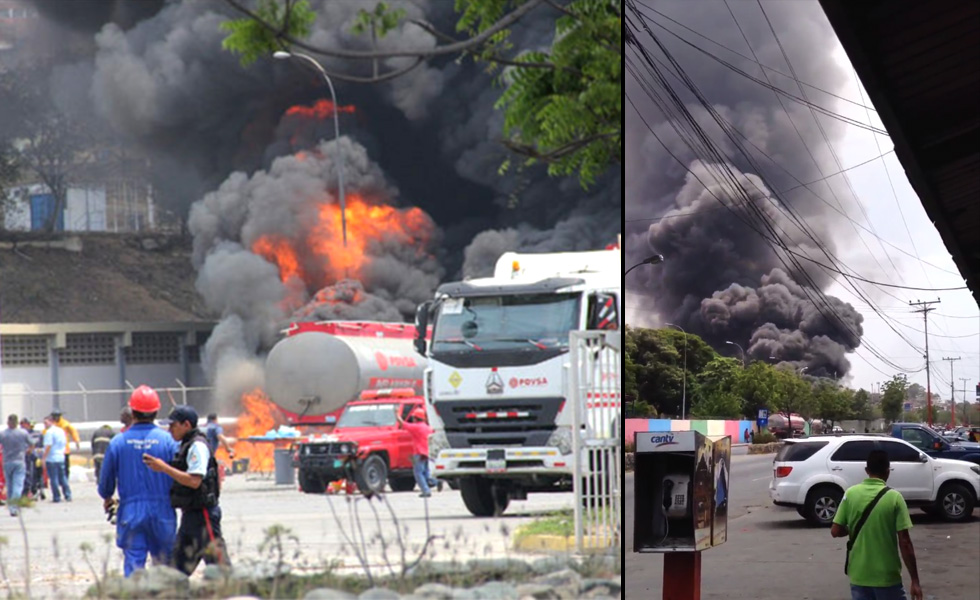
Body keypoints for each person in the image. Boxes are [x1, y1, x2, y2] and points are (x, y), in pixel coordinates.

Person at [98, 385, 178, 577]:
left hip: (131, 512)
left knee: (134, 568)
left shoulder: (118, 442)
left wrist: (107, 496)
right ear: (156, 411)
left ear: (132, 411)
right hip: (163, 510)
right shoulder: (168, 441)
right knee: (165, 570)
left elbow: (105, 485)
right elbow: (179, 475)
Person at [144, 405, 230, 575]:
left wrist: (164, 468)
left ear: (186, 425)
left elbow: (194, 481)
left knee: (221, 570)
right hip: (191, 515)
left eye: (173, 425)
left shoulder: (197, 446)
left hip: (204, 515)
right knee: (177, 570)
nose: (169, 430)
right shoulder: (186, 445)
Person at [831, 449, 922, 600]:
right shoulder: (894, 498)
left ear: (866, 470)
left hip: (859, 575)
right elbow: (904, 542)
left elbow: (835, 530)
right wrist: (915, 581)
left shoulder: (851, 493)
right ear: (888, 471)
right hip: (887, 577)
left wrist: (850, 529)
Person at [394, 406, 440, 497]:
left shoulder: (416, 427)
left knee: (418, 473)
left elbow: (402, 423)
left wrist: (396, 413)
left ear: (415, 418)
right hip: (427, 453)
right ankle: (436, 482)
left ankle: (426, 491)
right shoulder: (428, 428)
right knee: (425, 472)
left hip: (419, 453)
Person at [0, 414, 32, 516]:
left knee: (9, 485)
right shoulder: (23, 433)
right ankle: (14, 507)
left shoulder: (3, 434)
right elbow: (32, 443)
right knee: (18, 485)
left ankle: (11, 507)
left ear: (8, 422)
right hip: (19, 461)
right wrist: (28, 451)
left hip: (7, 461)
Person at [42, 415, 71, 503]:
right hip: (61, 457)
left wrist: (44, 457)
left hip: (52, 458)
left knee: (53, 478)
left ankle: (56, 496)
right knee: (63, 477)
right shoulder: (61, 431)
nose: (44, 425)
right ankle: (68, 495)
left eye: (46, 422)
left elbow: (48, 445)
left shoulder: (49, 432)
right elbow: (64, 442)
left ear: (51, 421)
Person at [50, 410, 80, 479]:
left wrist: (77, 441)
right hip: (54, 449)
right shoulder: (52, 424)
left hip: (64, 449)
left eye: (56, 417)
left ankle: (65, 478)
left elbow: (73, 432)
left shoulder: (65, 424)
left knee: (65, 465)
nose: (55, 418)